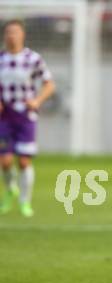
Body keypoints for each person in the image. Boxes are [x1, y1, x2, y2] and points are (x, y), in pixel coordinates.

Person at [0, 19, 55, 217]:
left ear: (22, 35)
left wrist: (37, 101)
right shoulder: (1, 59)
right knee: (5, 161)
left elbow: (49, 84)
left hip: (25, 116)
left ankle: (25, 201)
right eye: (8, 32)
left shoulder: (33, 59)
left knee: (23, 161)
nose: (11, 36)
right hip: (4, 116)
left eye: (14, 32)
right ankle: (10, 189)